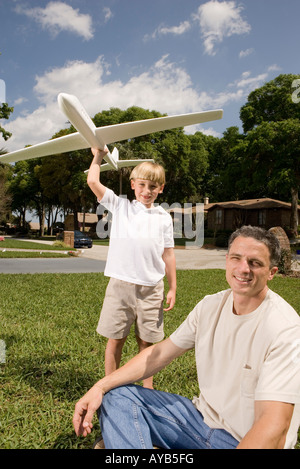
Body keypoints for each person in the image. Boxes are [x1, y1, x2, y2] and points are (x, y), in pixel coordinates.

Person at [73, 225, 300, 449]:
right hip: (198, 421)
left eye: (255, 263)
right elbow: (159, 354)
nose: (243, 269)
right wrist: (100, 387)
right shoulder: (210, 306)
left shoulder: (284, 328)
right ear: (227, 261)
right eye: (236, 258)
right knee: (118, 396)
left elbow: (274, 426)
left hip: (240, 440)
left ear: (272, 272)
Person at [87, 147, 176, 389]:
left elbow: (168, 254)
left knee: (147, 344)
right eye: (143, 185)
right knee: (115, 340)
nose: (147, 191)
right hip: (121, 286)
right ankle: (110, 388)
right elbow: (92, 180)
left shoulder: (164, 217)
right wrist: (98, 154)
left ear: (161, 189)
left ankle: (148, 391)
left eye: (153, 187)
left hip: (152, 289)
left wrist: (172, 288)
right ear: (133, 184)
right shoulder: (121, 206)